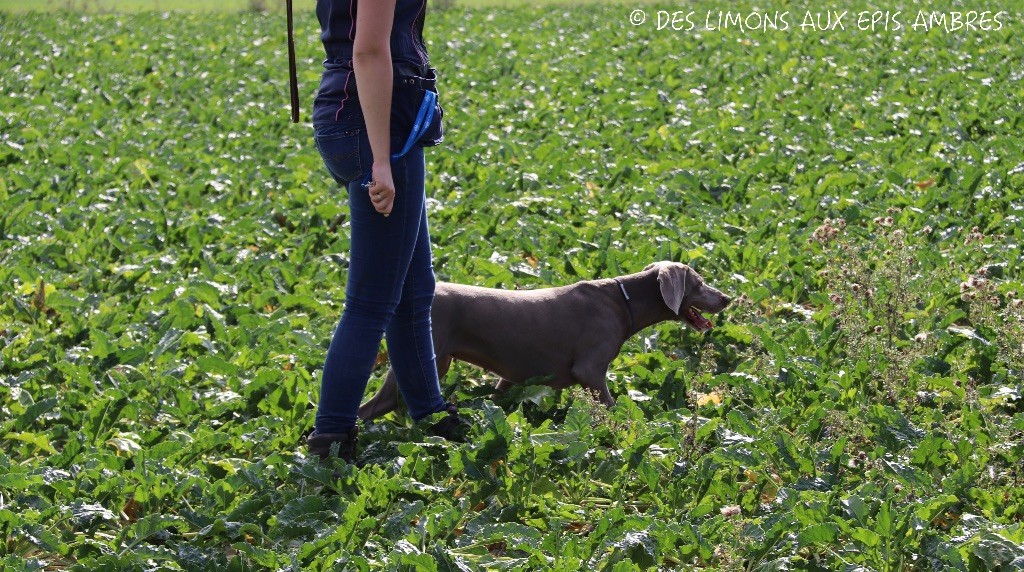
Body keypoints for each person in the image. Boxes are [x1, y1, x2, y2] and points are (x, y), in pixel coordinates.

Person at [306, 0, 466, 463]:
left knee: (415, 286)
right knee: (371, 301)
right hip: (377, 121)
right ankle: (330, 437)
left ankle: (430, 410)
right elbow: (370, 52)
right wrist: (381, 161)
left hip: (350, 111)